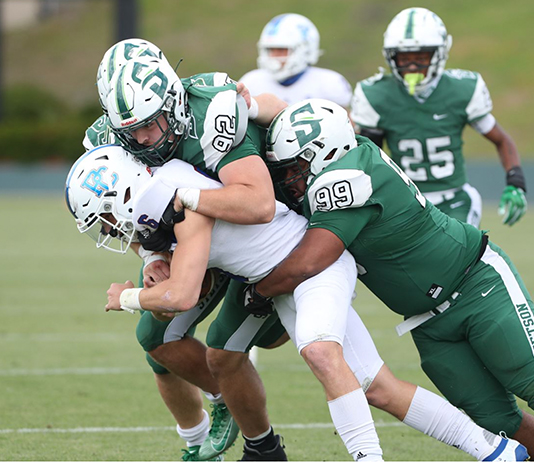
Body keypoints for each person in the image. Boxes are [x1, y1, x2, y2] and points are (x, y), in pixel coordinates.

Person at [76, 144, 529, 461]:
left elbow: (182, 295)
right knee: (377, 387)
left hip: (311, 267)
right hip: (282, 280)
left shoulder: (182, 202)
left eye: (108, 217)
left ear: (127, 192)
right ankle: (495, 449)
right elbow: (170, 291)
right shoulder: (155, 196)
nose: (112, 229)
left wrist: (128, 296)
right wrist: (156, 262)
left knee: (318, 350)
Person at [251, 97, 534, 456]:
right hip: (429, 324)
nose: (289, 179)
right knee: (497, 420)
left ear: (325, 152)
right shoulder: (352, 151)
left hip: (477, 286)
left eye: (296, 167)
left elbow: (309, 262)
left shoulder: (345, 180)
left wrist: (258, 289)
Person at [349, 7, 527, 228]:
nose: (412, 66)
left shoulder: (462, 90)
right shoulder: (377, 95)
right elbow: (369, 156)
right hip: (404, 199)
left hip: (455, 200)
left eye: (421, 57)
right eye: (404, 58)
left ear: (440, 53)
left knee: (457, 256)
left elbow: (500, 139)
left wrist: (515, 182)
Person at [240, 13, 352, 108]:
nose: (275, 56)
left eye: (282, 49)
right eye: (270, 50)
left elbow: (346, 128)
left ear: (306, 50)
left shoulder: (329, 84)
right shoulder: (251, 82)